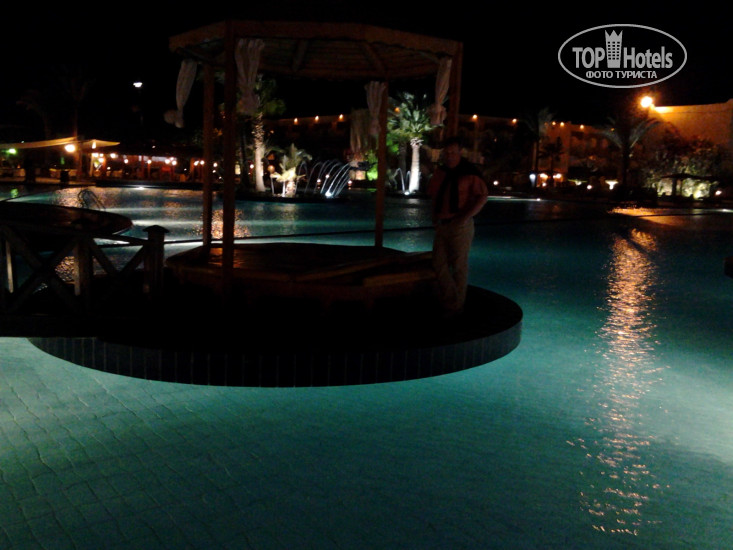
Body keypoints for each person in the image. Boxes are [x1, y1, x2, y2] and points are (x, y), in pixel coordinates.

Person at [427, 136, 488, 317]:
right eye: (447, 153)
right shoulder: (441, 172)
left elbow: (482, 196)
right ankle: (452, 299)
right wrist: (434, 216)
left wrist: (465, 217)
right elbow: (435, 195)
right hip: (442, 224)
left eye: (453, 152)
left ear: (460, 153)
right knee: (438, 263)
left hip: (460, 225)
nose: (450, 156)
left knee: (459, 265)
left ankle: (455, 306)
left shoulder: (469, 173)